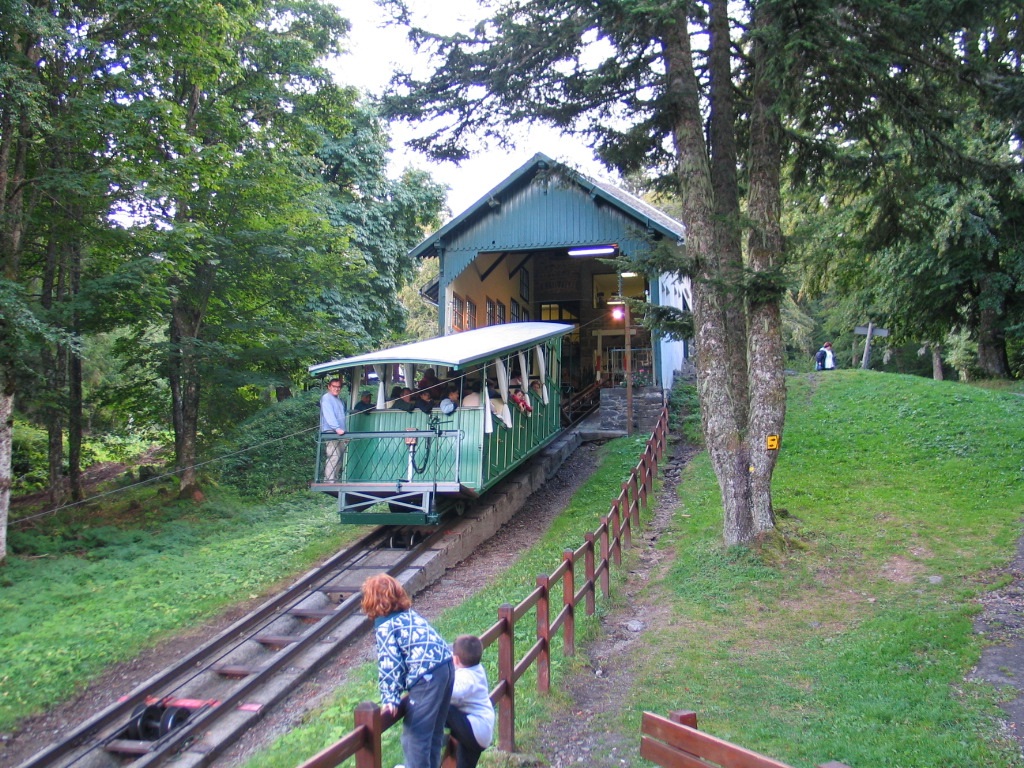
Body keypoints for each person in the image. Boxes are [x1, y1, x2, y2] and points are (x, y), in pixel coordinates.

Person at [362, 574, 454, 768]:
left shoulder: (386, 625)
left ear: (370, 600)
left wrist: (390, 697)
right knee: (434, 731)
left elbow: (390, 662)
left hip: (427, 675)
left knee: (416, 734)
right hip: (445, 665)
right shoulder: (409, 615)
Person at [445, 635, 495, 768]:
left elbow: (449, 695)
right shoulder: (476, 669)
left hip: (475, 728)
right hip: (481, 731)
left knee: (442, 708)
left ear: (455, 659)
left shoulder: (466, 680)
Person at [319, 378, 346, 482]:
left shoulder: (339, 400)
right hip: (331, 432)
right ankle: (329, 480)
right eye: (334, 386)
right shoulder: (326, 398)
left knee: (340, 457)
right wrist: (337, 428)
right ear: (329, 387)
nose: (336, 389)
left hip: (340, 433)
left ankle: (334, 478)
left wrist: (344, 433)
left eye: (338, 387)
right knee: (334, 455)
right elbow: (329, 415)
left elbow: (342, 418)